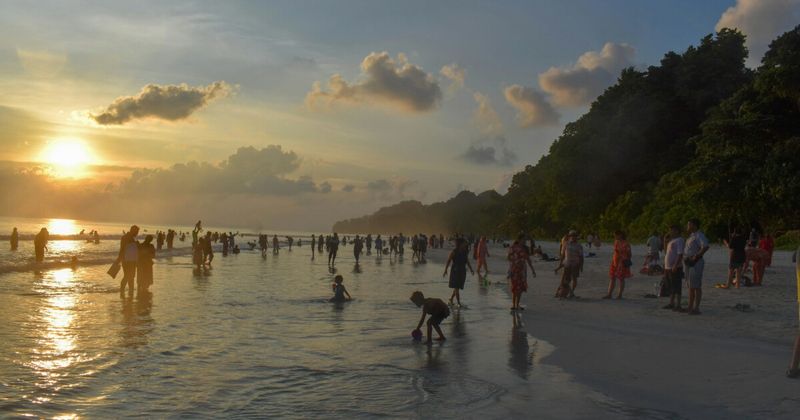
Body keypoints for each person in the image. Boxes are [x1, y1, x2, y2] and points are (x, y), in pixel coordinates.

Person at [684, 218, 709, 315]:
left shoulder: (699, 235)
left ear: (694, 225)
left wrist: (696, 256)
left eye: (689, 224)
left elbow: (705, 246)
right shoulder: (691, 236)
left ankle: (696, 308)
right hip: (688, 262)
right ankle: (690, 307)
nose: (687, 226)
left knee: (696, 286)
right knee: (690, 286)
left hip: (696, 262)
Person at [507, 234, 536, 310]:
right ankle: (513, 304)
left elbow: (528, 260)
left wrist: (533, 270)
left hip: (522, 271)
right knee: (514, 287)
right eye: (523, 240)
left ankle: (517, 304)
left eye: (525, 240)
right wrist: (514, 261)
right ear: (519, 239)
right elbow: (508, 257)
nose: (524, 242)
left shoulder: (525, 249)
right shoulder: (513, 247)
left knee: (520, 288)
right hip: (514, 270)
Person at [443, 238, 475, 307]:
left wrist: (471, 269)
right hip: (455, 271)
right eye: (464, 243)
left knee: (458, 287)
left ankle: (451, 299)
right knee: (456, 287)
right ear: (460, 244)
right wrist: (445, 270)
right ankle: (458, 303)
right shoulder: (454, 251)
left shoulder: (464, 251)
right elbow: (449, 260)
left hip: (462, 271)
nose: (465, 244)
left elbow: (467, 261)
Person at [662, 225, 685, 311]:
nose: (670, 232)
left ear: (677, 231)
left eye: (672, 230)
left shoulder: (679, 240)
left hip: (675, 267)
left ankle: (678, 304)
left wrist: (675, 265)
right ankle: (671, 303)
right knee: (670, 285)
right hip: (668, 267)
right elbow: (666, 252)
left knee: (677, 285)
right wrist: (665, 241)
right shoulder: (672, 241)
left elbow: (680, 254)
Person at [605, 231, 632, 299]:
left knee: (621, 279)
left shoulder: (626, 244)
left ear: (620, 235)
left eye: (616, 235)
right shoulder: (616, 242)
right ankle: (609, 294)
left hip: (622, 263)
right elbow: (616, 251)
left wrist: (625, 260)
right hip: (614, 262)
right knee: (612, 278)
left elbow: (629, 254)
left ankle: (620, 295)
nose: (615, 237)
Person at [557, 231, 583, 299]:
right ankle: (566, 292)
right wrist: (560, 264)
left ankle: (571, 292)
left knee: (574, 278)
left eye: (574, 236)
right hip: (567, 264)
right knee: (566, 280)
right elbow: (562, 255)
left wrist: (581, 266)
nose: (573, 237)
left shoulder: (579, 245)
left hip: (575, 264)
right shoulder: (566, 244)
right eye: (572, 236)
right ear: (569, 236)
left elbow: (581, 256)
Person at [118, 225, 139, 295]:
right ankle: (123, 290)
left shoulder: (129, 238)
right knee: (128, 276)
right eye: (137, 232)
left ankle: (129, 292)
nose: (137, 234)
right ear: (133, 231)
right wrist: (119, 259)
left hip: (130, 260)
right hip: (128, 260)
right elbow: (123, 249)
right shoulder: (127, 238)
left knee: (130, 276)